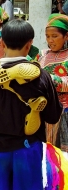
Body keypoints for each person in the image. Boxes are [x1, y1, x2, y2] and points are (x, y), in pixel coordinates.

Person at [0, 19, 62, 190]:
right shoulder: (42, 76)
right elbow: (53, 116)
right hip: (28, 148)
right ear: (29, 45)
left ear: (2, 42)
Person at [38, 13, 68, 152]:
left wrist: (47, 79)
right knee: (46, 152)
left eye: (54, 36)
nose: (50, 40)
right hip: (43, 112)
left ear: (66, 36)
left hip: (64, 113)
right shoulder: (42, 55)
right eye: (47, 36)